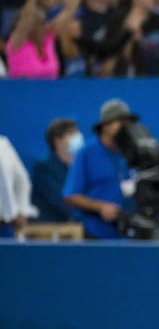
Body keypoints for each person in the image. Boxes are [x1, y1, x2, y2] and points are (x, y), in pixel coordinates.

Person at [62, 99, 136, 239]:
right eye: (119, 122)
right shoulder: (86, 152)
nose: (125, 127)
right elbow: (71, 195)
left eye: (127, 122)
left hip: (130, 235)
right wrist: (101, 207)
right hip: (95, 234)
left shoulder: (134, 151)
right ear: (105, 126)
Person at [32, 118, 82, 222]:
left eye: (77, 131)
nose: (79, 136)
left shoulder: (77, 168)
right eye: (72, 133)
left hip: (75, 228)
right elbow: (61, 200)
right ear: (58, 141)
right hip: (48, 231)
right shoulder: (43, 168)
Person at [0, 135, 36, 237]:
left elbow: (21, 179)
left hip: (7, 224)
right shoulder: (3, 144)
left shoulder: (3, 144)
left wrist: (17, 211)